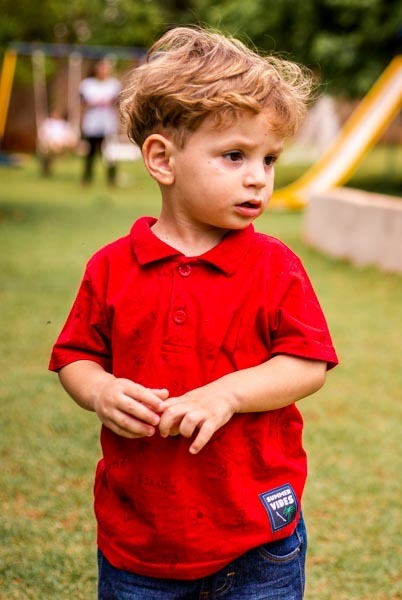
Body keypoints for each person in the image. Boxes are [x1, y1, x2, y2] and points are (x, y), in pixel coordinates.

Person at [49, 26, 337, 599]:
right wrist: (100, 391)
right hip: (140, 538)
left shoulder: (275, 266)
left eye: (269, 158)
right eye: (234, 155)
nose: (259, 176)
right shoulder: (111, 267)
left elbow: (307, 363)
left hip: (258, 535)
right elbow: (76, 356)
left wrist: (227, 393)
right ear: (163, 159)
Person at [79, 57, 121, 186]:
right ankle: (87, 179)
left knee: (109, 153)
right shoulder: (87, 84)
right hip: (92, 123)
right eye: (102, 67)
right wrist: (93, 103)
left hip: (108, 123)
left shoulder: (114, 84)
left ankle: (112, 178)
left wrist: (110, 102)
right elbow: (81, 102)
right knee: (90, 152)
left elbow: (118, 101)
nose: (104, 70)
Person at [37, 108, 77, 176]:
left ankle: (57, 149)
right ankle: (46, 168)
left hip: (62, 144)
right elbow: (42, 135)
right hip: (49, 144)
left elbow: (70, 136)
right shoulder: (47, 123)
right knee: (47, 151)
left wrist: (68, 142)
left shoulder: (64, 125)